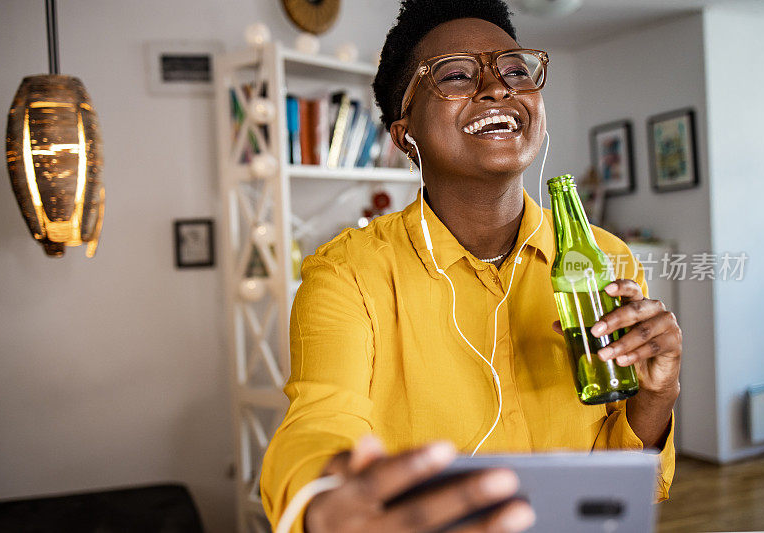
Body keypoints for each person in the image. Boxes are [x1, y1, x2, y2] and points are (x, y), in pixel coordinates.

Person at [261, 0, 681, 531]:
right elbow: (319, 421)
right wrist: (322, 501)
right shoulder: (347, 276)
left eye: (515, 71)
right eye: (456, 74)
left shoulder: (604, 257)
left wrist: (657, 396)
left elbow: (615, 477)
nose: (497, 87)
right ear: (403, 134)